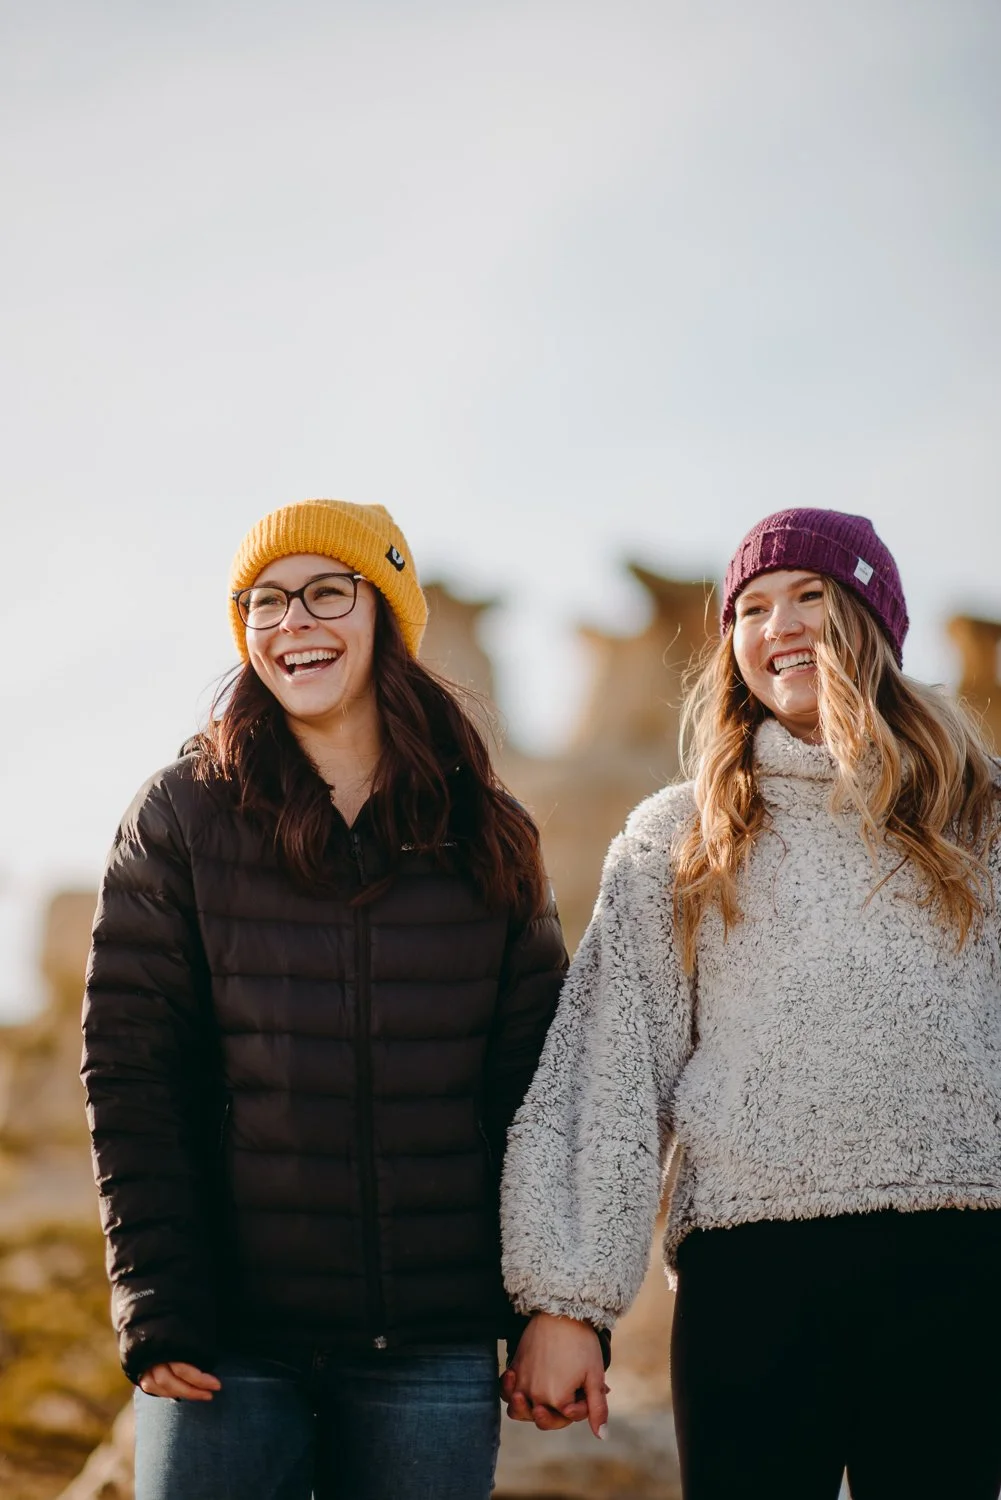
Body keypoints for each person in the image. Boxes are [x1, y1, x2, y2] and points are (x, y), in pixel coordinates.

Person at [499, 508, 1001, 1500]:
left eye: (811, 597)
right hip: (751, 1278)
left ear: (872, 624)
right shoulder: (676, 837)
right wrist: (565, 1304)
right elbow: (606, 1069)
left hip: (959, 1263)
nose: (778, 625)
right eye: (753, 607)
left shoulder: (977, 820)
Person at [81, 498, 567, 1500]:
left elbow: (538, 1088)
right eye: (261, 602)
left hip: (428, 1352)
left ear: (387, 614)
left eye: (325, 593)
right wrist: (158, 1300)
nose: (290, 622)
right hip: (225, 1344)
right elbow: (131, 1074)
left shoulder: (486, 830)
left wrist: (556, 1311)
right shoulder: (180, 814)